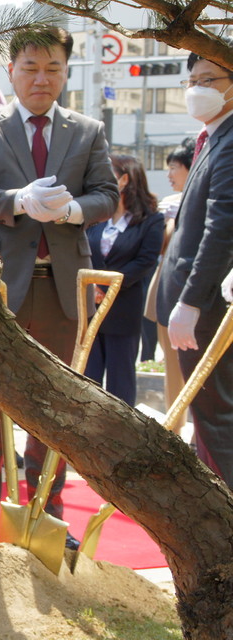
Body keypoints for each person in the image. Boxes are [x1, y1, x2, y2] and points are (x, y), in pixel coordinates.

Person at [0, 26, 118, 549]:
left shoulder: (87, 129)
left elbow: (107, 196)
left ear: (66, 71)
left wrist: (73, 211)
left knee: (57, 409)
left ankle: (47, 512)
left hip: (62, 289)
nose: (41, 78)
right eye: (30, 67)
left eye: (52, 68)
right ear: (11, 71)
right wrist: (18, 201)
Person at [157, 45, 233, 487]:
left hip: (205, 308)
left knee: (215, 416)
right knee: (209, 418)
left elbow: (221, 227)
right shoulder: (211, 137)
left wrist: (191, 301)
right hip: (196, 305)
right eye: (192, 82)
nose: (197, 90)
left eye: (210, 80)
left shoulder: (229, 140)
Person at [84, 155, 164, 405]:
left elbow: (145, 261)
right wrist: (93, 286)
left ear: (124, 179)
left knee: (121, 382)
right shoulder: (95, 218)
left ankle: (119, 439)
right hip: (90, 309)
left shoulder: (151, 220)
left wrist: (107, 284)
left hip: (123, 308)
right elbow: (82, 254)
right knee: (87, 380)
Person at [145, 137, 195, 432]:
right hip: (168, 297)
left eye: (174, 167)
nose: (169, 174)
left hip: (193, 299)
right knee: (173, 373)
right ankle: (176, 433)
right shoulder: (171, 206)